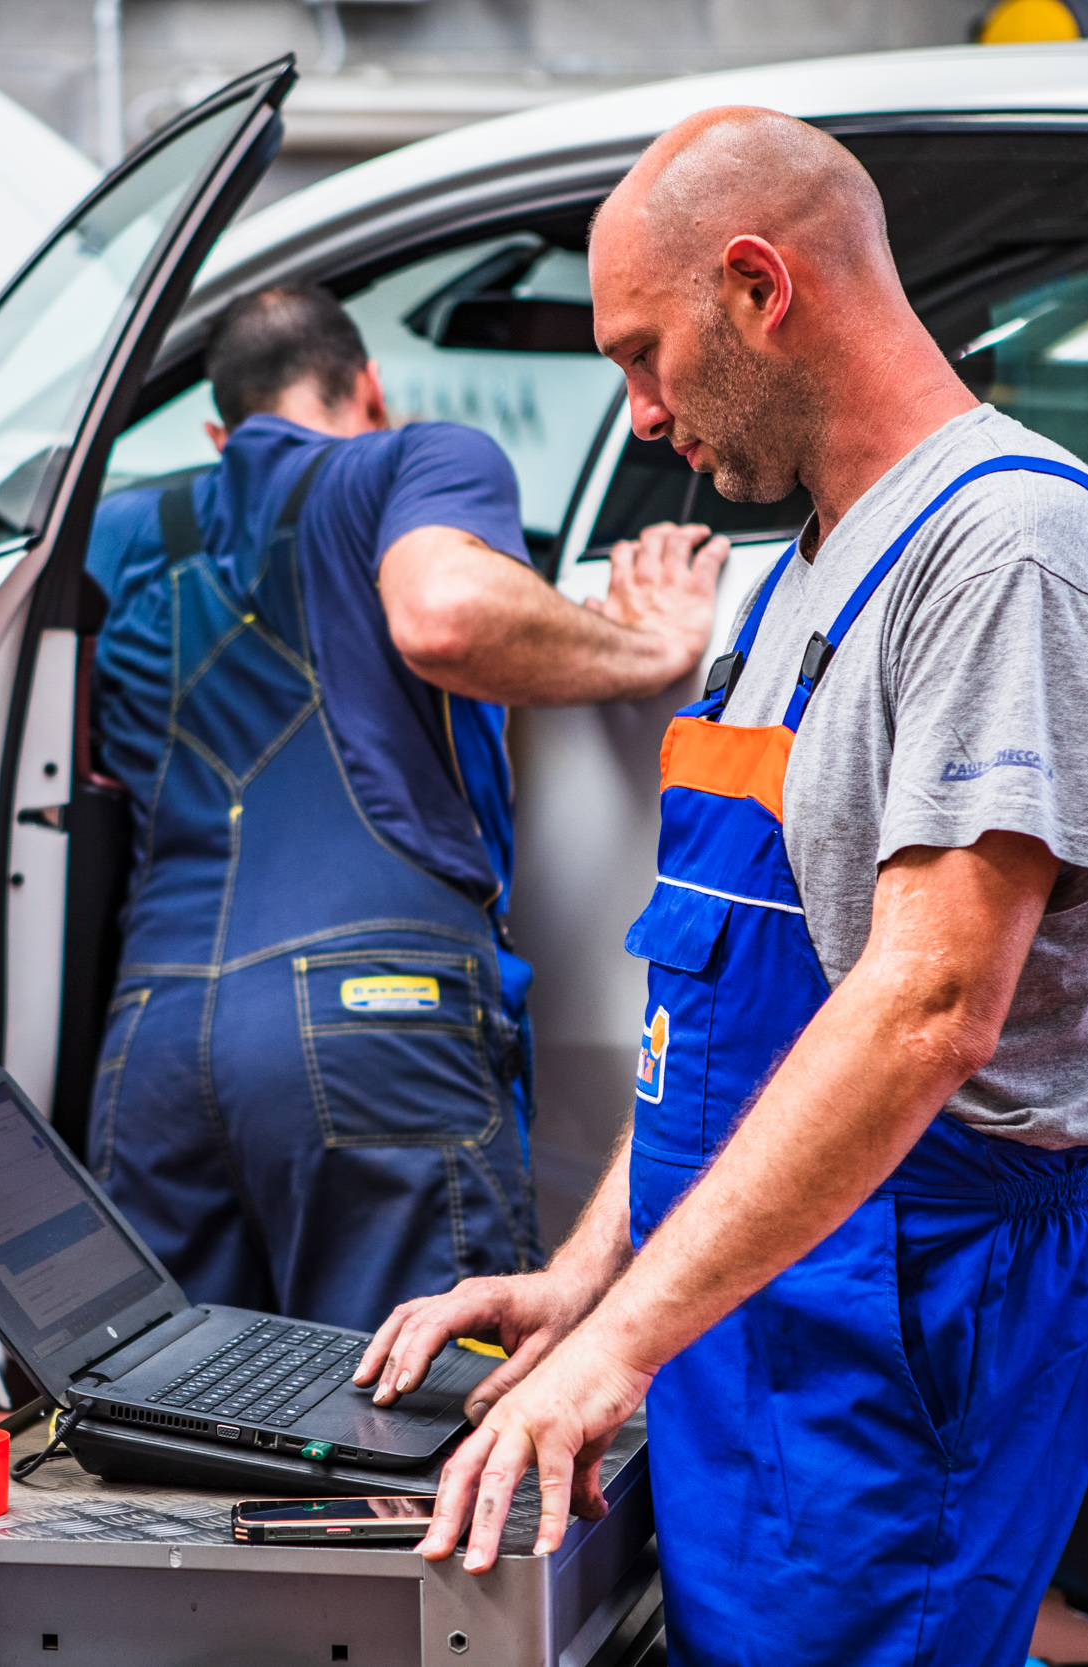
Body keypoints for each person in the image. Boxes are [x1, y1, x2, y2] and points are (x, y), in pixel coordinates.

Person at [357, 108, 1088, 1665]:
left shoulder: (1004, 553)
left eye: (645, 353)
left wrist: (625, 1340)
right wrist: (586, 1275)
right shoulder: (804, 567)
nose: (644, 413)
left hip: (894, 1307)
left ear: (758, 284)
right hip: (759, 1298)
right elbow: (716, 1011)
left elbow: (927, 1004)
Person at [83, 284, 727, 1334]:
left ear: (221, 428)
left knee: (172, 1406)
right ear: (369, 389)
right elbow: (446, 611)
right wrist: (647, 648)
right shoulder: (417, 461)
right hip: (370, 1014)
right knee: (408, 1418)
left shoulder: (119, 532)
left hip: (151, 1041)